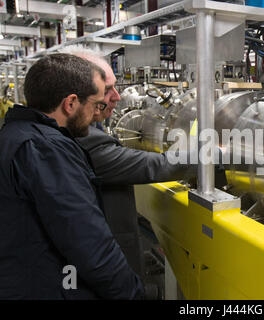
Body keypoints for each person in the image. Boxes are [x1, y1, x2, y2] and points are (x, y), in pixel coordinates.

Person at [62, 47, 226, 289]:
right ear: (75, 96)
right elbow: (154, 165)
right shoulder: (82, 140)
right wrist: (221, 154)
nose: (116, 97)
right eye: (107, 89)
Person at [0, 53, 145, 299]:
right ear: (71, 103)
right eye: (97, 105)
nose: (97, 113)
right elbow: (90, 246)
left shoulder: (14, 133)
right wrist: (132, 293)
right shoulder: (47, 151)